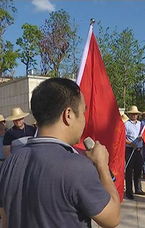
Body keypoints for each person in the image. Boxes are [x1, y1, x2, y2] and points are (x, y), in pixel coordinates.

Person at [0, 78, 120, 228]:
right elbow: (112, 218)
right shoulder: (77, 167)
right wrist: (102, 166)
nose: (84, 120)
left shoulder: (9, 163)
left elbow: (5, 221)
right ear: (68, 114)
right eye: (83, 113)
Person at [124, 105, 145, 200]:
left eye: (135, 114)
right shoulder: (126, 124)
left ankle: (138, 189)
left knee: (138, 170)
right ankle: (129, 192)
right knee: (129, 171)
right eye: (132, 114)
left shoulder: (141, 124)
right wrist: (131, 143)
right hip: (130, 149)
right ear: (129, 115)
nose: (134, 115)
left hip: (139, 150)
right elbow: (122, 138)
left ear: (138, 115)